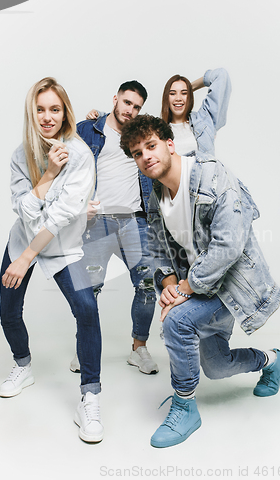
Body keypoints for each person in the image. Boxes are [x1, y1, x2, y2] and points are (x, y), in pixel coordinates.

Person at [120, 114, 280, 448]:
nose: (146, 156)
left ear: (170, 144)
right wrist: (169, 284)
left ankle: (185, 409)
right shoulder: (156, 191)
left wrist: (184, 290)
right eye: (137, 153)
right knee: (216, 366)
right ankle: (273, 360)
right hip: (198, 283)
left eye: (151, 146)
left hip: (232, 284)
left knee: (177, 323)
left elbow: (228, 246)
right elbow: (157, 240)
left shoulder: (213, 176)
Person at [0, 77, 104, 443]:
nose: (47, 117)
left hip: (63, 248)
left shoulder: (80, 154)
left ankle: (90, 397)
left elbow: (60, 217)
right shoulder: (19, 155)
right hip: (22, 241)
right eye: (40, 109)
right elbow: (23, 210)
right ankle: (23, 366)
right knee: (8, 311)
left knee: (87, 311)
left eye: (54, 109)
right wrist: (48, 174)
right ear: (32, 111)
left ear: (65, 113)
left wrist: (28, 257)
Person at [72, 81, 158, 375]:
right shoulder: (89, 129)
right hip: (97, 222)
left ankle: (139, 348)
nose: (130, 110)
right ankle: (84, 348)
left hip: (135, 221)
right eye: (127, 102)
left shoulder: (143, 135)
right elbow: (61, 149)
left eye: (136, 106)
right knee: (90, 289)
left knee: (147, 285)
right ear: (115, 99)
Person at [86, 68, 231, 157]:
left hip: (203, 197)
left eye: (184, 93)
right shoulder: (158, 129)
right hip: (170, 199)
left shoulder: (204, 121)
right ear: (166, 97)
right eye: (173, 93)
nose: (179, 98)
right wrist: (99, 115)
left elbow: (221, 76)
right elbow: (125, 117)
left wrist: (189, 87)